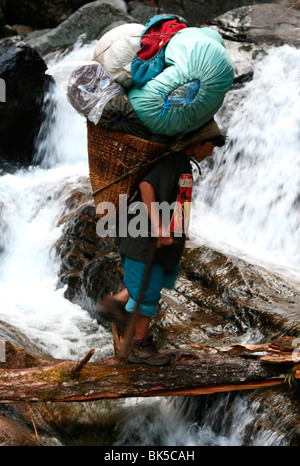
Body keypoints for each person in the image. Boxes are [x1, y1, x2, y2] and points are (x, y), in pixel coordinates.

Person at [98, 118, 226, 365]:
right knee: (147, 292)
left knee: (153, 280)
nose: (210, 154)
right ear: (198, 143)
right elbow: (147, 186)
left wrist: (178, 229)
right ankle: (139, 346)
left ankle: (116, 304)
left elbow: (177, 198)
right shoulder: (174, 162)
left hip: (143, 233)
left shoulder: (183, 165)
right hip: (142, 234)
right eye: (209, 148)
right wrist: (158, 226)